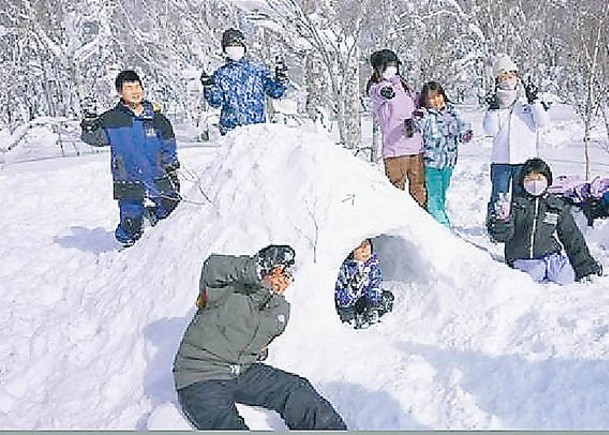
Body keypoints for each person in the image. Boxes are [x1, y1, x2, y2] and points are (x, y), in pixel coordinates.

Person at [173, 245, 347, 430]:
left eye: (286, 275)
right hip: (200, 376)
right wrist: (257, 269)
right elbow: (212, 266)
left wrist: (274, 294)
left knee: (296, 389)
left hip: (241, 372)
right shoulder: (228, 288)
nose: (282, 279)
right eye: (278, 271)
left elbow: (260, 338)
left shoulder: (278, 308)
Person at [80, 70, 181, 247]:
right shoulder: (111, 118)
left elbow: (168, 144)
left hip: (156, 173)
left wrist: (171, 168)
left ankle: (154, 223)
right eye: (129, 87)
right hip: (128, 176)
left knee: (173, 211)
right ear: (120, 92)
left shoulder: (157, 118)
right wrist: (89, 123)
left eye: (137, 86)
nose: (135, 91)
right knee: (130, 220)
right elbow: (95, 139)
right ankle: (129, 248)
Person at [488, 158, 603, 284]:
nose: (534, 183)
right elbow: (502, 236)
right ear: (522, 182)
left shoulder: (555, 205)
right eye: (530, 179)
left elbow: (572, 237)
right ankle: (542, 268)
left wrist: (586, 268)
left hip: (549, 256)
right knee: (533, 274)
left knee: (566, 277)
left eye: (539, 179)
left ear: (547, 180)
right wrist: (502, 221)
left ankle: (555, 266)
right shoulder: (516, 204)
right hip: (522, 258)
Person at [483, 54, 549, 226]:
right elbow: (489, 130)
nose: (507, 80)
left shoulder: (526, 102)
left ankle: (522, 226)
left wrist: (534, 101)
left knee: (523, 196)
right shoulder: (496, 103)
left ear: (517, 77)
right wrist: (492, 110)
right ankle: (497, 226)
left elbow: (543, 122)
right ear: (497, 80)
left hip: (525, 160)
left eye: (510, 76)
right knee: (500, 195)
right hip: (501, 161)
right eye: (503, 77)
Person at [367, 49, 426, 208]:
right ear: (378, 69)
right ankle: (398, 227)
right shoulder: (378, 87)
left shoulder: (404, 86)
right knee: (396, 191)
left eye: (393, 65)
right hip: (395, 150)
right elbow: (377, 93)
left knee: (419, 189)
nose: (391, 69)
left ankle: (423, 225)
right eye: (386, 66)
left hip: (415, 146)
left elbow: (416, 104)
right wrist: (384, 91)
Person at [200, 28, 287, 135]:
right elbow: (215, 102)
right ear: (225, 49)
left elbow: (276, 92)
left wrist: (281, 77)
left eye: (238, 44)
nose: (234, 48)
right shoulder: (220, 75)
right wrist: (208, 85)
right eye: (230, 45)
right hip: (231, 134)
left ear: (244, 47)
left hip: (256, 132)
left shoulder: (258, 71)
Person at [416, 81, 473, 227]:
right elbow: (418, 128)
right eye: (431, 98)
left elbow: (462, 128)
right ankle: (443, 228)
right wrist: (417, 119)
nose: (436, 101)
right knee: (434, 198)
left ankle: (432, 223)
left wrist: (466, 134)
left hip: (448, 163)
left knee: (441, 195)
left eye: (438, 96)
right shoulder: (426, 115)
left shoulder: (452, 113)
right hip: (431, 164)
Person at [335, 239, 394, 329]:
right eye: (359, 246)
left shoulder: (371, 264)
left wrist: (373, 303)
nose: (365, 248)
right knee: (346, 314)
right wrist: (353, 288)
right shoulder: (344, 269)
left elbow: (375, 283)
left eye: (367, 243)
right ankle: (354, 322)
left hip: (361, 298)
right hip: (347, 303)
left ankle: (369, 315)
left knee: (386, 297)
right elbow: (341, 301)